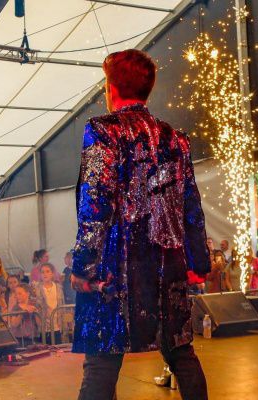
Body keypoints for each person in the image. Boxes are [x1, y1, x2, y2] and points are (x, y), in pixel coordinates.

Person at [70, 49, 209, 400]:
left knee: (101, 361)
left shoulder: (103, 130)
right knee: (181, 353)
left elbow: (95, 204)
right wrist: (198, 261)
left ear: (111, 87)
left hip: (115, 267)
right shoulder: (175, 138)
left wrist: (83, 266)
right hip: (167, 263)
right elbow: (191, 205)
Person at [33, 263, 65, 344]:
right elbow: (35, 306)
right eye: (42, 272)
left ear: (52, 273)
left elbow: (62, 305)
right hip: (43, 327)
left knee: (57, 348)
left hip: (57, 325)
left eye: (47, 271)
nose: (45, 274)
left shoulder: (58, 288)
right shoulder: (36, 288)